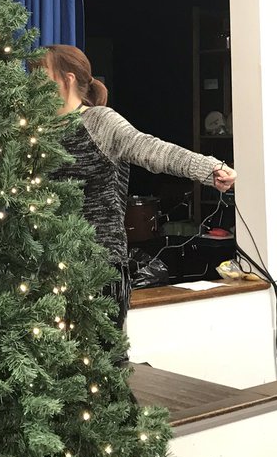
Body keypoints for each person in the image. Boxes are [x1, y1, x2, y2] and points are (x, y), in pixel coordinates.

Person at [33, 44, 236, 327]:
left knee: (102, 362)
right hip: (44, 268)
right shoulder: (35, 131)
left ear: (66, 79)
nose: (33, 84)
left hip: (98, 268)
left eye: (40, 75)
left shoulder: (99, 122)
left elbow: (150, 149)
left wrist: (208, 168)